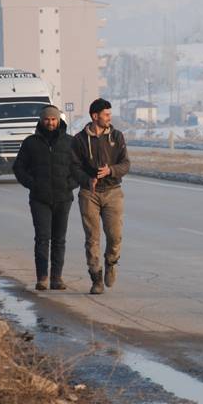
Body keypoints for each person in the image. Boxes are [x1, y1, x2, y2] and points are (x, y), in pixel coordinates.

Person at [13, 105, 77, 290]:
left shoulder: (70, 142)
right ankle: (42, 277)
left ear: (59, 121)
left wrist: (69, 184)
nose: (50, 122)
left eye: (54, 119)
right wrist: (33, 184)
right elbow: (19, 168)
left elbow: (78, 168)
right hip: (39, 199)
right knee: (42, 238)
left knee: (59, 239)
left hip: (63, 198)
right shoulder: (30, 142)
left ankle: (57, 278)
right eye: (47, 119)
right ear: (41, 121)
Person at [71, 98, 130, 295]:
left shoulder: (117, 136)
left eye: (110, 114)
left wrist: (111, 171)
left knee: (115, 236)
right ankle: (96, 277)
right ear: (95, 116)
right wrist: (87, 179)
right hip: (90, 194)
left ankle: (111, 262)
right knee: (92, 238)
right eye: (106, 114)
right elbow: (73, 167)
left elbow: (126, 164)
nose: (109, 118)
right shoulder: (79, 140)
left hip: (113, 191)